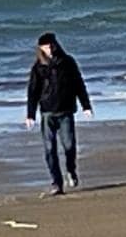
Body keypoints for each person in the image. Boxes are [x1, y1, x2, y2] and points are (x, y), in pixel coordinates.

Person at [25, 31, 93, 196]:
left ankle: (71, 170)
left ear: (55, 45)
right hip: (47, 112)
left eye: (51, 46)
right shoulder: (38, 67)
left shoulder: (68, 62)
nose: (49, 49)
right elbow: (33, 91)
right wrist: (30, 114)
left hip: (66, 111)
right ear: (40, 48)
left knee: (69, 146)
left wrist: (86, 106)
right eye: (45, 47)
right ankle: (57, 183)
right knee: (50, 150)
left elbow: (79, 84)